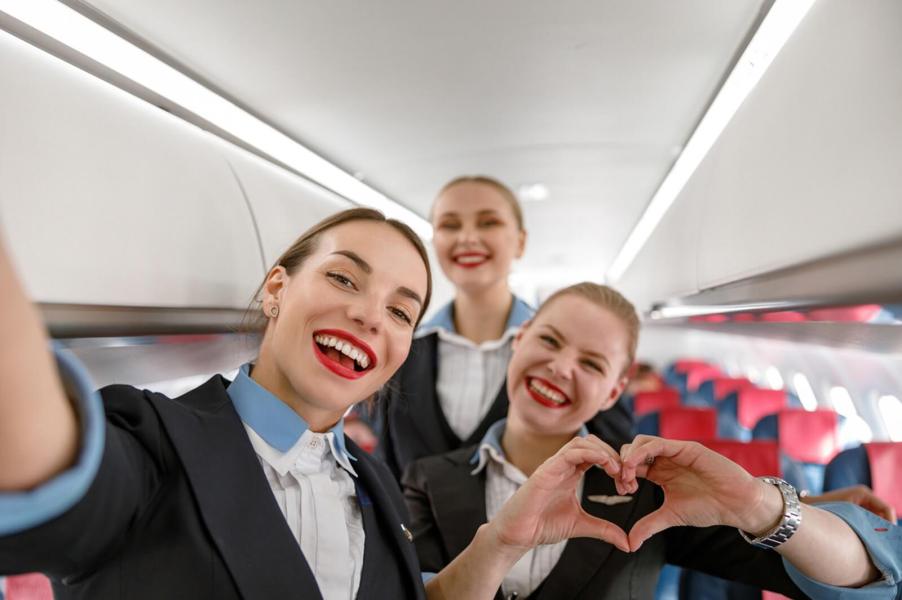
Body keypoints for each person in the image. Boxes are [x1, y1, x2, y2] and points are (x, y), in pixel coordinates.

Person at [0, 209, 633, 600]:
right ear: (276, 288)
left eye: (399, 311)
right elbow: (37, 456)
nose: (367, 314)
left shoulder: (375, 485)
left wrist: (500, 542)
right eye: (343, 278)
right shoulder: (154, 439)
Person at [403, 283, 901, 599]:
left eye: (592, 364)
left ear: (615, 391)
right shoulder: (426, 477)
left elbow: (861, 583)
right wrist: (497, 545)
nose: (560, 368)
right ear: (519, 340)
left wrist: (757, 502)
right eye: (549, 341)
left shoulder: (644, 491)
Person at [373, 176, 633, 480]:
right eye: (450, 225)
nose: (468, 238)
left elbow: (614, 465)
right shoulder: (400, 349)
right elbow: (386, 468)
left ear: (520, 242)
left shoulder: (572, 357)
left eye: (488, 223)